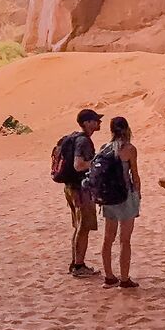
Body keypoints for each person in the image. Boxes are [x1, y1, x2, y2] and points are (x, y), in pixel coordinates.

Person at [49, 107, 103, 276]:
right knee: (83, 227)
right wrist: (97, 163)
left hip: (71, 188)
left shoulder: (74, 138)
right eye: (95, 120)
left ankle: (76, 263)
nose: (98, 122)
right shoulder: (83, 141)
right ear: (87, 123)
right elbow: (79, 165)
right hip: (81, 189)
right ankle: (79, 266)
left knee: (78, 227)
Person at [95, 115, 142, 289]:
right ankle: (124, 278)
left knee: (108, 238)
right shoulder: (130, 149)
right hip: (125, 196)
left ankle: (108, 277)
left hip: (108, 197)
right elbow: (134, 175)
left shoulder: (104, 148)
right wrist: (138, 194)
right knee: (125, 239)